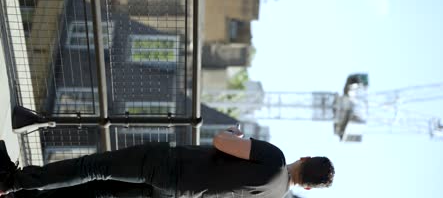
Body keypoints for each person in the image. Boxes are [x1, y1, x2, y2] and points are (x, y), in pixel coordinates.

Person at [0, 125, 334, 197]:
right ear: (307, 184)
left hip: (171, 164)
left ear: (305, 157)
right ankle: (20, 194)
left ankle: (11, 181)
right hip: (177, 191)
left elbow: (220, 141)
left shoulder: (276, 159)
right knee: (96, 192)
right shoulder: (274, 195)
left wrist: (236, 135)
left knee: (93, 168)